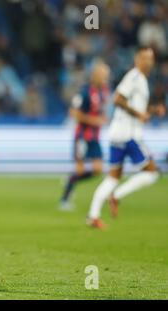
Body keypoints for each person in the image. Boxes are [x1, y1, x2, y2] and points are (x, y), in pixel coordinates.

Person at [87, 47, 166, 229]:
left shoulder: (141, 80)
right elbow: (118, 99)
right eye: (145, 58)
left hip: (118, 133)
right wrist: (139, 114)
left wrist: (152, 110)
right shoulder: (134, 76)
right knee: (151, 172)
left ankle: (93, 216)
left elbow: (134, 109)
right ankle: (116, 196)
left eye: (151, 58)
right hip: (128, 134)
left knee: (113, 177)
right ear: (137, 59)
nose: (149, 62)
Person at [60, 61, 110, 211]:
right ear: (95, 76)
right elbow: (73, 113)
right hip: (82, 136)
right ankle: (65, 199)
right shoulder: (84, 92)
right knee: (80, 170)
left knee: (98, 169)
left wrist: (103, 118)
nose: (105, 78)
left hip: (94, 137)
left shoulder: (104, 91)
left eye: (106, 76)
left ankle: (71, 178)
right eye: (103, 75)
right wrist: (94, 120)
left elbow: (102, 111)